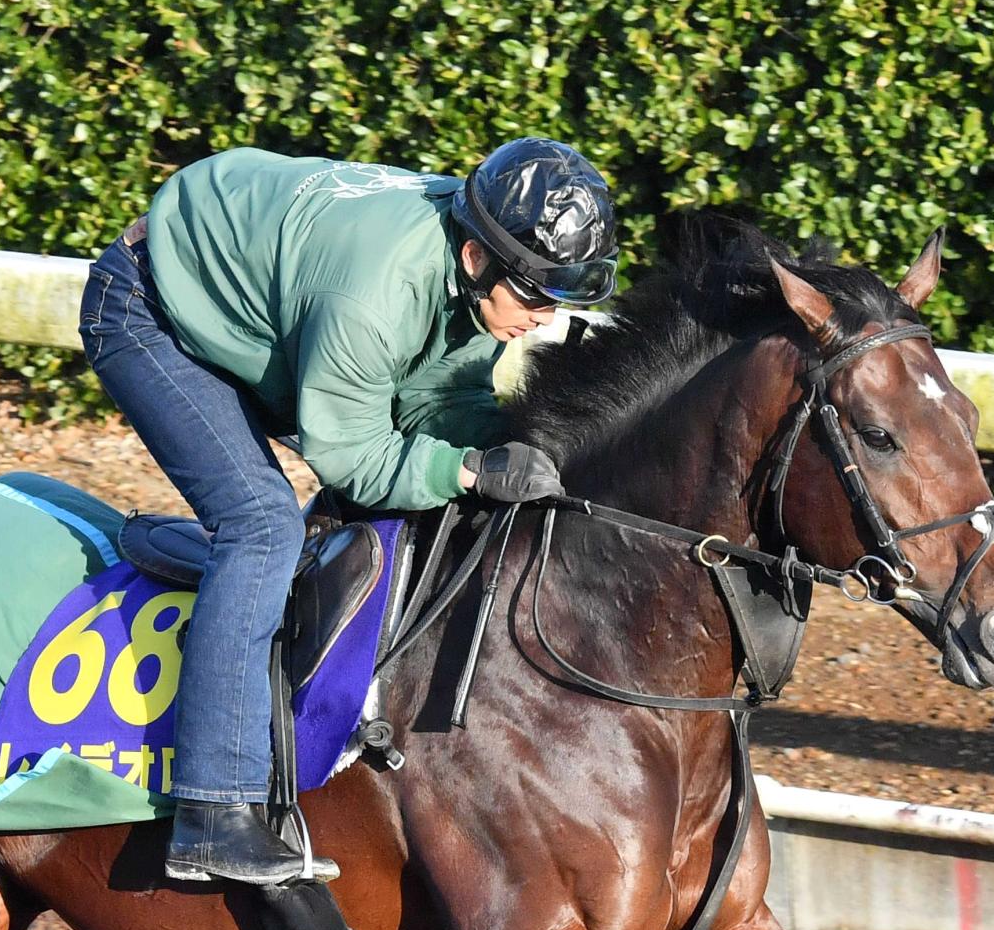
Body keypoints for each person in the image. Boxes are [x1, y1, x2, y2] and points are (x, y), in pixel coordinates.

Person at [78, 138, 619, 886]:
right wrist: (466, 468)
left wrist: (506, 450)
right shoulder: (374, 298)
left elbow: (443, 396)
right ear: (475, 261)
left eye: (560, 300)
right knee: (262, 523)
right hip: (150, 310)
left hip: (258, 286)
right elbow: (352, 454)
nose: (544, 317)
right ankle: (212, 809)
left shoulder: (472, 261)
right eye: (535, 295)